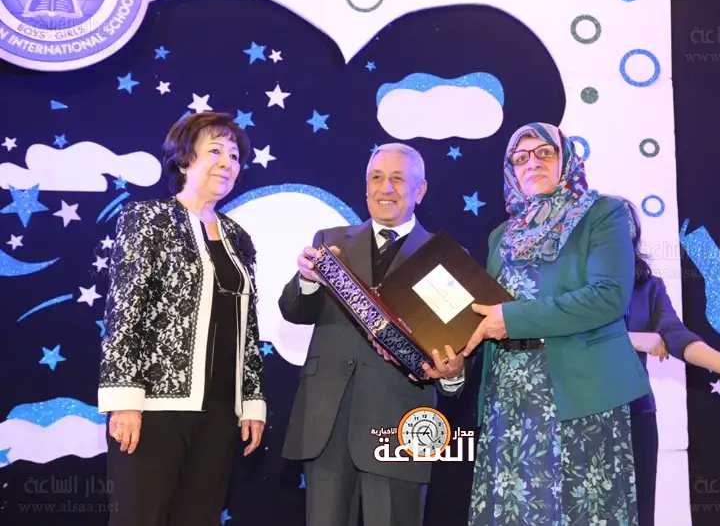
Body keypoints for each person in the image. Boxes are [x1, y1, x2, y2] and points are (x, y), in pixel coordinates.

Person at [461, 122, 651, 525]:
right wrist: (453, 363)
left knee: (582, 512)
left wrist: (511, 319)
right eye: (521, 158)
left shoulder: (602, 213)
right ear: (511, 171)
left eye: (545, 152)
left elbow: (607, 297)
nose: (533, 163)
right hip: (507, 400)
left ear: (566, 159)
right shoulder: (502, 235)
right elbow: (485, 315)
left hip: (579, 394)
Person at [278, 143, 467, 526]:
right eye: (377, 178)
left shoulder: (448, 258)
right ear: (366, 187)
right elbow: (295, 311)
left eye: (398, 179)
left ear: (420, 190)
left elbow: (458, 349)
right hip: (327, 423)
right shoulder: (330, 241)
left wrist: (453, 374)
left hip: (403, 424)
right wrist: (308, 279)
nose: (386, 188)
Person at [97, 112, 267, 526]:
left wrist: (252, 401)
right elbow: (125, 310)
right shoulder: (147, 219)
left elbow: (248, 326)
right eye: (215, 151)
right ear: (185, 159)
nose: (227, 163)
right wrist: (124, 403)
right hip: (154, 409)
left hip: (220, 414)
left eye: (234, 156)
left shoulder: (238, 236)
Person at [620, 196, 720, 526]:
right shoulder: (571, 289)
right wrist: (638, 339)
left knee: (637, 516)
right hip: (582, 414)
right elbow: (570, 336)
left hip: (636, 413)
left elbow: (674, 334)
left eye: (620, 234)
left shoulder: (648, 288)